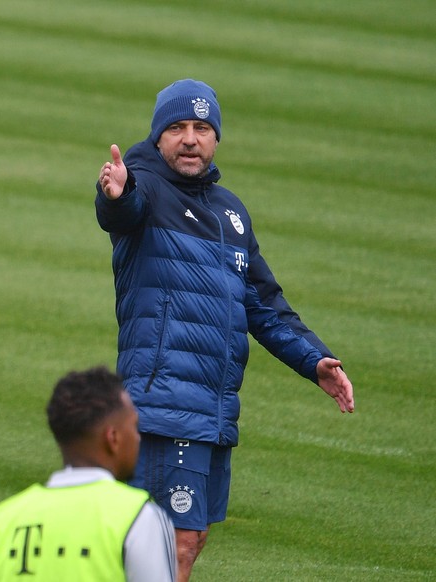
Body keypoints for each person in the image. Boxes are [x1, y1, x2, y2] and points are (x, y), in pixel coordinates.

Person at [95, 79, 354, 582]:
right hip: (165, 404)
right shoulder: (143, 186)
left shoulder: (230, 214)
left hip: (211, 409)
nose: (190, 139)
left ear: (216, 139)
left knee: (184, 541)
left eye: (201, 128)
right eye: (176, 128)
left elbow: (263, 303)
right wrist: (116, 195)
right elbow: (119, 211)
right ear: (157, 137)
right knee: (173, 542)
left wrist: (314, 360)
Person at [0, 366, 177, 581]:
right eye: (134, 427)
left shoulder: (4, 520)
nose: (138, 438)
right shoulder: (139, 517)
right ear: (113, 438)